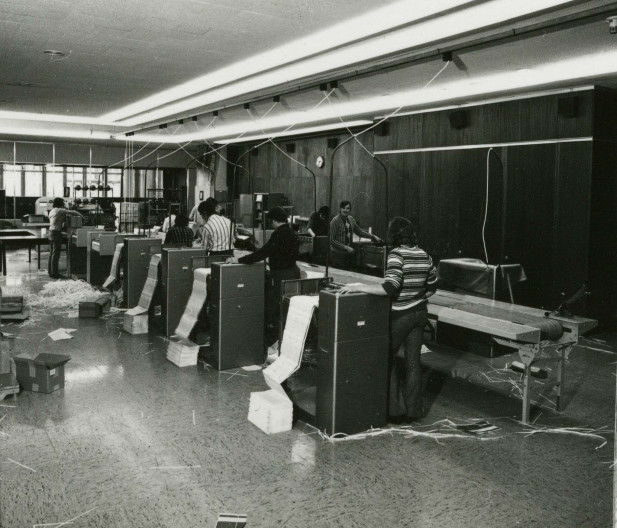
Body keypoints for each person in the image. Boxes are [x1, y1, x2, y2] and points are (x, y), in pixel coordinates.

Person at [339, 217, 437, 424]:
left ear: (394, 234)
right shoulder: (424, 254)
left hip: (401, 315)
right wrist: (417, 298)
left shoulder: (396, 254)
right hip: (420, 314)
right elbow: (433, 286)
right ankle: (413, 411)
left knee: (386, 357)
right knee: (413, 363)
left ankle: (394, 410)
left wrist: (358, 287)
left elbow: (389, 287)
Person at [226, 206, 300, 340]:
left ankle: (275, 340)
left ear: (275, 220)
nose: (271, 224)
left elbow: (263, 253)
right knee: (288, 308)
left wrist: (239, 259)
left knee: (277, 308)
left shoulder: (278, 234)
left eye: (271, 221)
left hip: (280, 275)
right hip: (293, 273)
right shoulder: (292, 233)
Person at [329, 200, 382, 269]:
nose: (345, 210)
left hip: (347, 254)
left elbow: (359, 232)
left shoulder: (351, 219)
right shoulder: (335, 221)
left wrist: (372, 236)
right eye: (344, 208)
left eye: (347, 208)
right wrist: (346, 247)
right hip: (337, 255)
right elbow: (331, 240)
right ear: (340, 209)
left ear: (350, 210)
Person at [47, 197, 84, 279]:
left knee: (52, 254)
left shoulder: (52, 211)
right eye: (63, 203)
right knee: (56, 254)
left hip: (50, 233)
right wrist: (82, 217)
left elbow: (56, 221)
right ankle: (55, 274)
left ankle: (51, 272)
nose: (64, 204)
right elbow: (73, 212)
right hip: (56, 233)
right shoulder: (59, 210)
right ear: (60, 203)